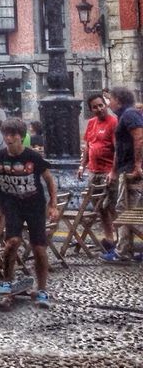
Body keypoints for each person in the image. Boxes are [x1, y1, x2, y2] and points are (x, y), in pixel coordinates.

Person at [0, 117, 59, 307]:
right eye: (6, 134)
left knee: (39, 248)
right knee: (12, 243)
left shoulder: (32, 156)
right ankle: (6, 283)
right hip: (11, 204)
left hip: (34, 205)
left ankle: (42, 289)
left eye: (13, 135)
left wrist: (53, 205)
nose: (9, 139)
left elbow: (49, 180)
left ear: (21, 137)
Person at [78, 93, 118, 260]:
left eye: (101, 105)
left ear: (106, 105)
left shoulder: (114, 122)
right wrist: (82, 165)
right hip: (94, 172)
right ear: (91, 110)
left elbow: (117, 149)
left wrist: (113, 172)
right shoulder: (91, 123)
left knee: (112, 207)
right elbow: (88, 146)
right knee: (100, 209)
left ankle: (120, 241)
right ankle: (109, 240)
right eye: (95, 107)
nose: (99, 108)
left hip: (108, 171)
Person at [110, 86, 143, 258]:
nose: (109, 103)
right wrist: (114, 170)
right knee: (127, 210)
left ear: (118, 99)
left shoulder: (129, 114)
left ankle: (123, 251)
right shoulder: (127, 115)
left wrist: (137, 165)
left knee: (126, 211)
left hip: (130, 169)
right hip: (126, 167)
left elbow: (139, 137)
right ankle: (125, 249)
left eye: (111, 99)